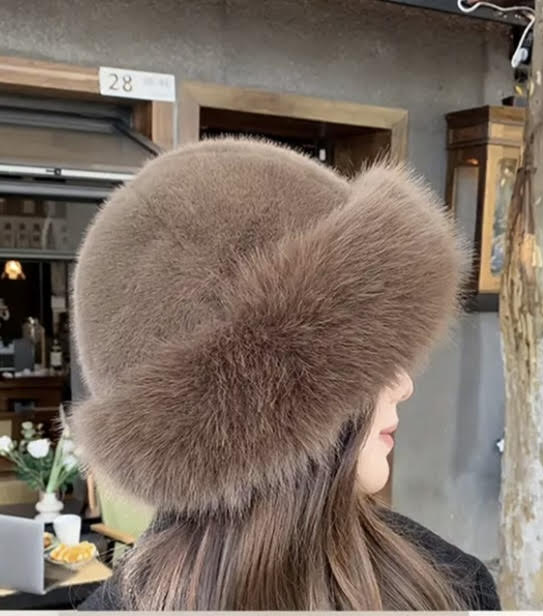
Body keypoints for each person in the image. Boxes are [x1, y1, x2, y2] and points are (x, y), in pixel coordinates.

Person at [72, 138, 500, 611]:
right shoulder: (449, 587)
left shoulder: (453, 588)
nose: (403, 385)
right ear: (266, 410)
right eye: (363, 360)